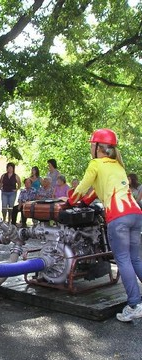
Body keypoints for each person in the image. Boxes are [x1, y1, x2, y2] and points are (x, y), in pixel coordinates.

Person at [67, 129, 142, 322]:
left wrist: (71, 200)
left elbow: (83, 187)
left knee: (123, 259)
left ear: (98, 147)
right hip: (135, 214)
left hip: (118, 217)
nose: (90, 148)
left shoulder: (96, 163)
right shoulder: (117, 165)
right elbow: (96, 190)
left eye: (92, 144)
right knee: (135, 259)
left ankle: (135, 304)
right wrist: (86, 199)